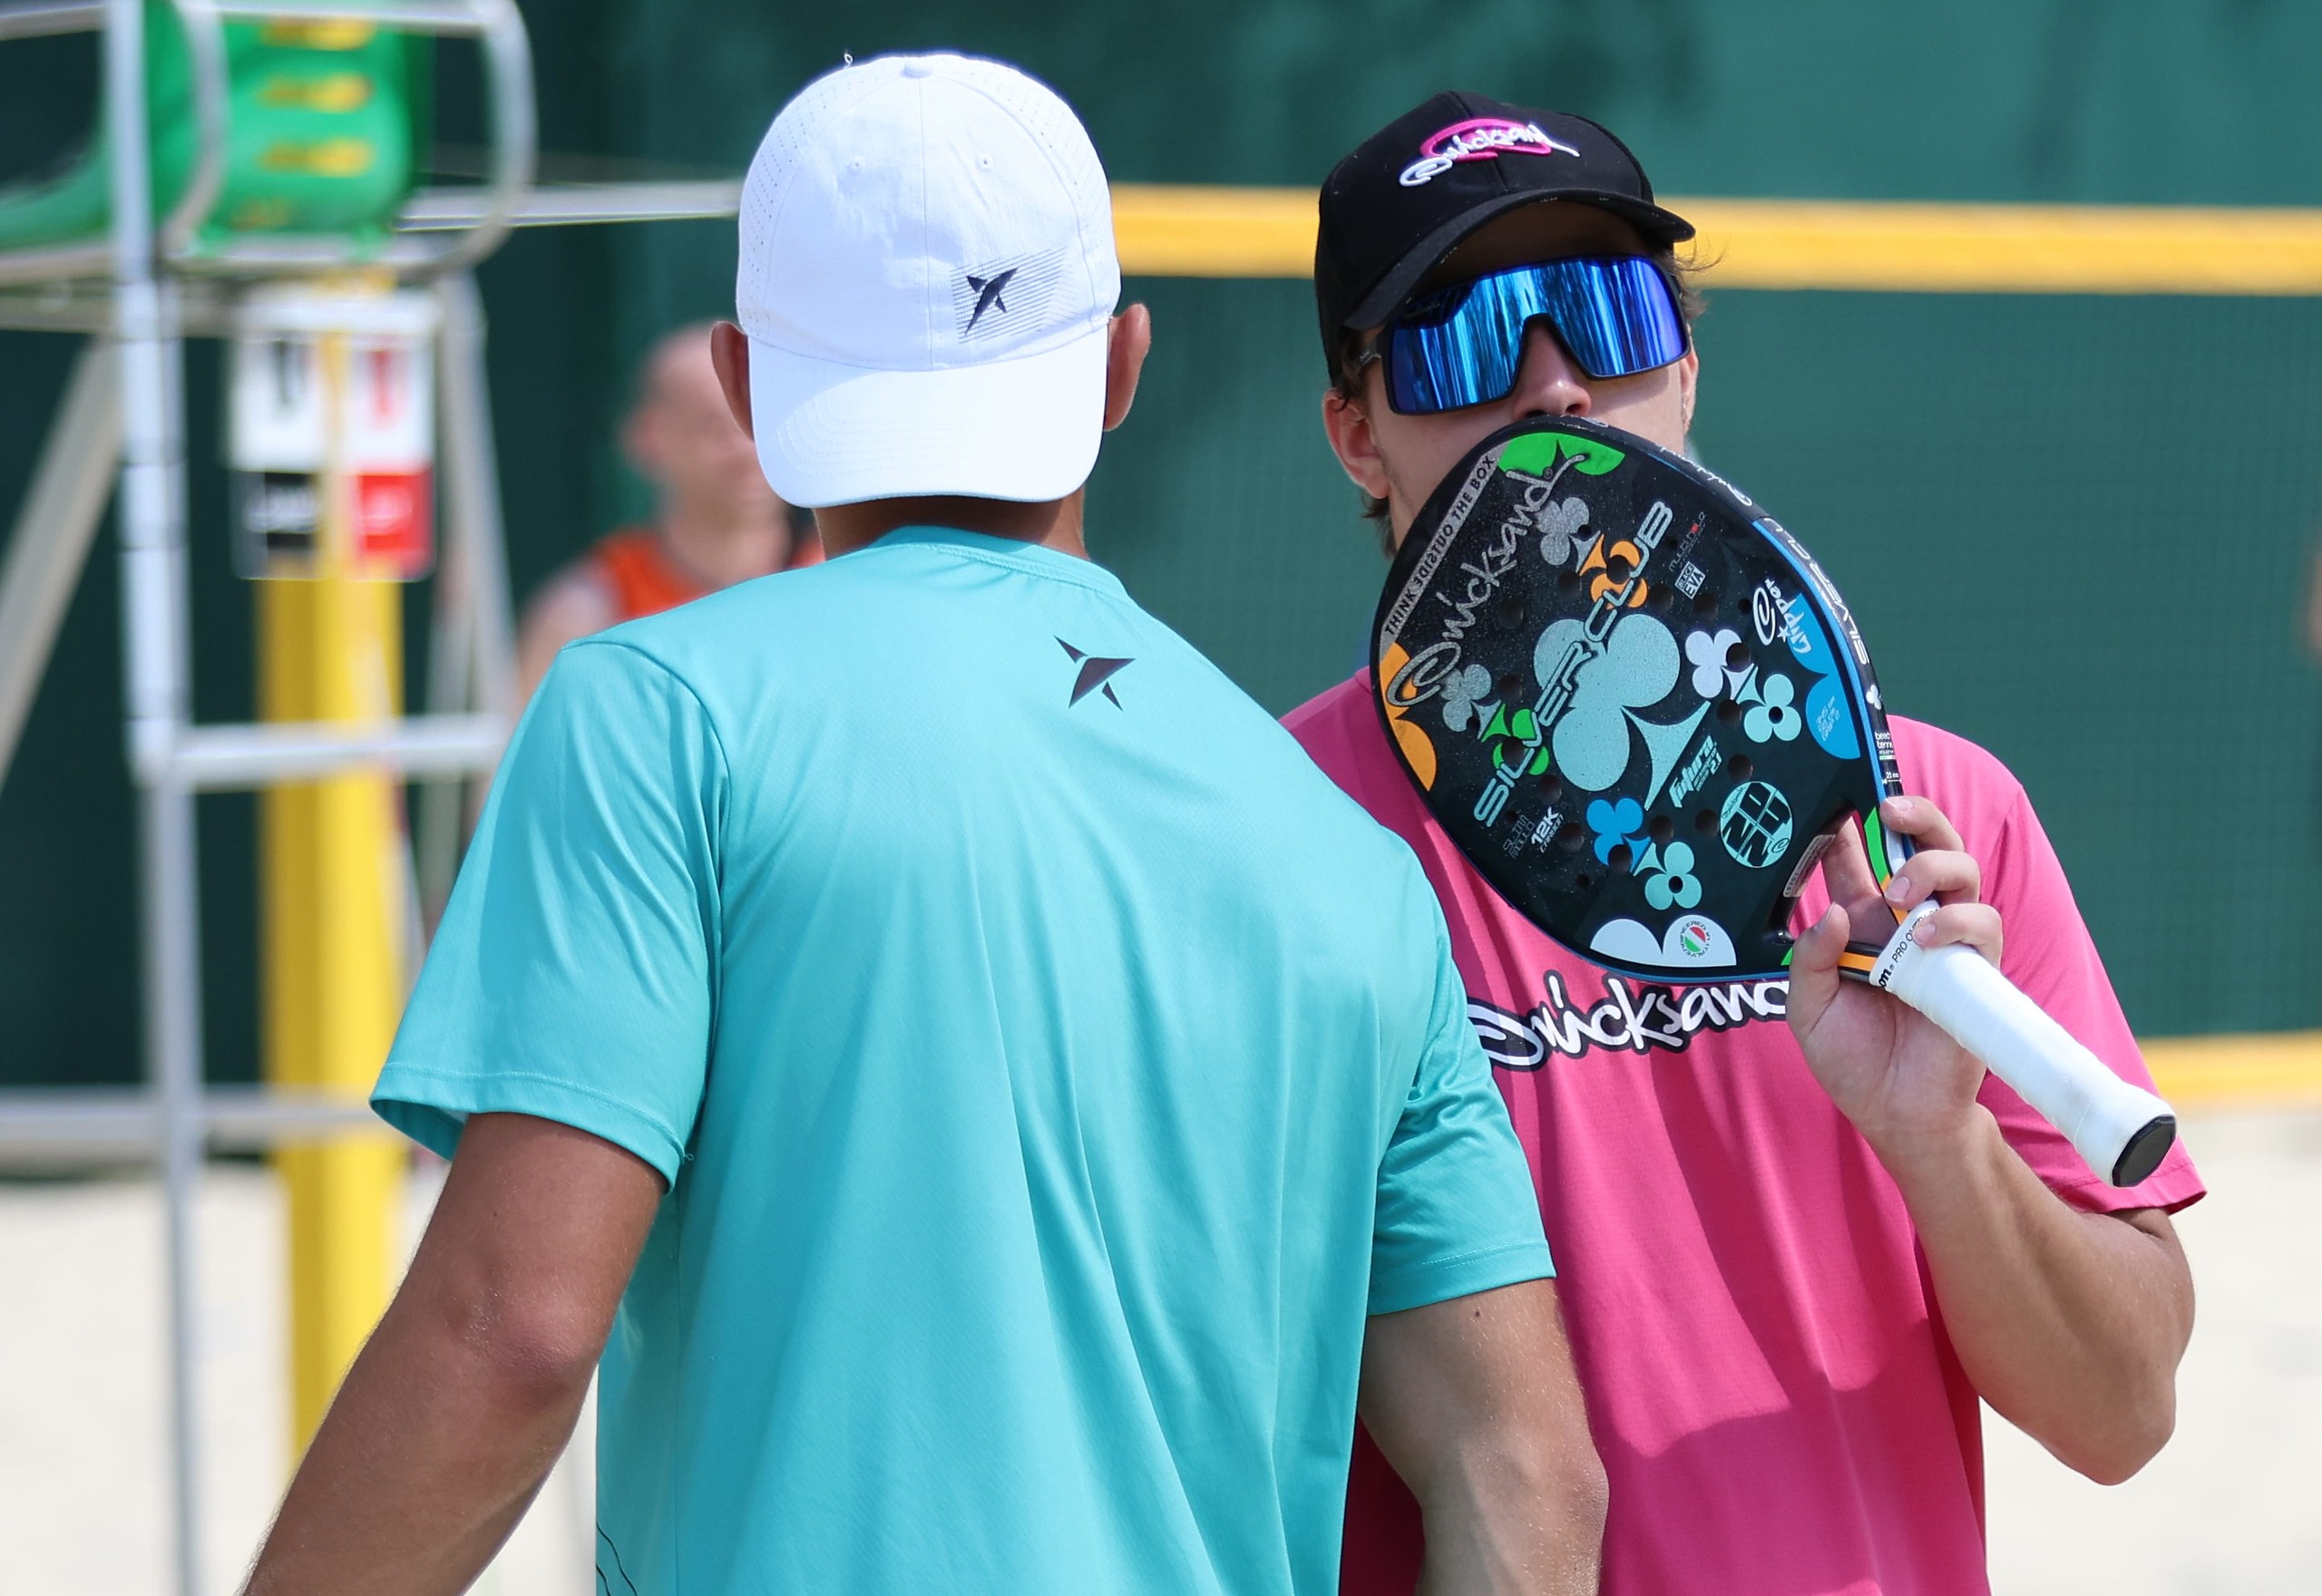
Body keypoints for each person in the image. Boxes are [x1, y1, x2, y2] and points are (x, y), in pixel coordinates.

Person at [245, 58, 1608, 1596]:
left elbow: (515, 1333)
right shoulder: (1350, 859)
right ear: (1123, 365)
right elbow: (1528, 1476)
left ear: (746, 385)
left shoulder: (656, 711)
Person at [1287, 92, 2206, 1596]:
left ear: (1685, 367)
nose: (1557, 385)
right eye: (1464, 340)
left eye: (1609, 312)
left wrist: (1941, 1143)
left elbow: (2122, 1418)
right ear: (1355, 436)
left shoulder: (1941, 817)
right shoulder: (1268, 848)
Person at [513, 321, 823, 705]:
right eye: (716, 429)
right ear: (648, 436)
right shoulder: (585, 619)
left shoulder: (838, 588)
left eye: (763, 421)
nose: (748, 450)